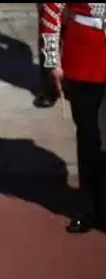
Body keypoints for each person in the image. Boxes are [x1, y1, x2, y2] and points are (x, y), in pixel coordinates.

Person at [39, 3, 106, 233]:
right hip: (83, 57)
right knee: (89, 138)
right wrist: (52, 60)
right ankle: (90, 208)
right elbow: (51, 10)